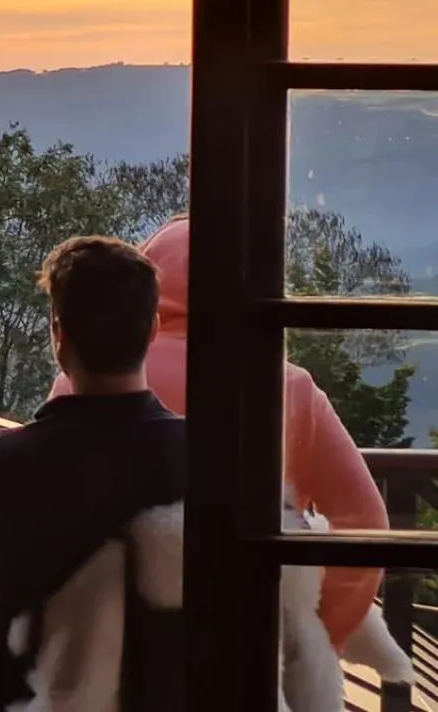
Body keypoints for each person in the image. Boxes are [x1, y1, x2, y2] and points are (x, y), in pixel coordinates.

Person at [47, 215, 388, 650]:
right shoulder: (288, 385)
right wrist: (315, 634)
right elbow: (363, 524)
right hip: (246, 643)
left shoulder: (80, 379)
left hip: (113, 647)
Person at [0, 236, 185, 712]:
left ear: (59, 335)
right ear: (151, 330)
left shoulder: (7, 457)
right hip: (155, 684)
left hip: (11, 682)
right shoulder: (201, 457)